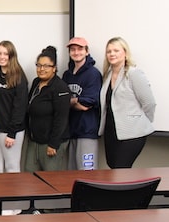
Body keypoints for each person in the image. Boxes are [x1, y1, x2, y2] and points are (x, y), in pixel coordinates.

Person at [98, 37, 156, 169]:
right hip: (111, 131)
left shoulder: (133, 74)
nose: (112, 54)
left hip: (132, 133)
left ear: (125, 53)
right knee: (113, 168)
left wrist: (140, 121)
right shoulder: (107, 75)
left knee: (121, 169)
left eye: (116, 50)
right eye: (109, 51)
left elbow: (149, 103)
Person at [0, 41, 28, 173]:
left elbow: (20, 107)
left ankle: (13, 194)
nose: (2, 57)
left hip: (11, 131)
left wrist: (12, 133)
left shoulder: (19, 76)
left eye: (5, 54)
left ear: (11, 56)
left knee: (12, 168)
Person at [25, 46, 70, 172]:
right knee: (29, 176)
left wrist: (53, 144)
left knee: (50, 181)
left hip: (52, 143)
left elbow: (61, 118)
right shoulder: (35, 83)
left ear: (54, 68)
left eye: (46, 66)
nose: (41, 69)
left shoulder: (60, 87)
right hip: (34, 141)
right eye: (39, 65)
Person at [62, 37, 102, 170]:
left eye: (80, 49)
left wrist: (71, 101)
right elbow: (62, 101)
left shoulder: (93, 74)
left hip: (87, 131)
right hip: (72, 131)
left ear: (87, 51)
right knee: (72, 175)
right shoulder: (67, 75)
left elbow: (88, 103)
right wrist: (76, 102)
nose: (76, 52)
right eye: (73, 49)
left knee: (87, 172)